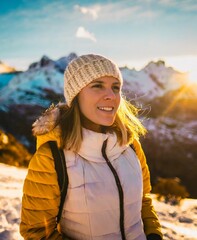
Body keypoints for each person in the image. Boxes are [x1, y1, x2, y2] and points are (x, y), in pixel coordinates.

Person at [20, 54, 163, 240]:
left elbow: (143, 199)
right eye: (97, 86)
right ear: (76, 95)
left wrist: (154, 234)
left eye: (115, 87)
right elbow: (37, 232)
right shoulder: (52, 158)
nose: (111, 96)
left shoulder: (130, 145)